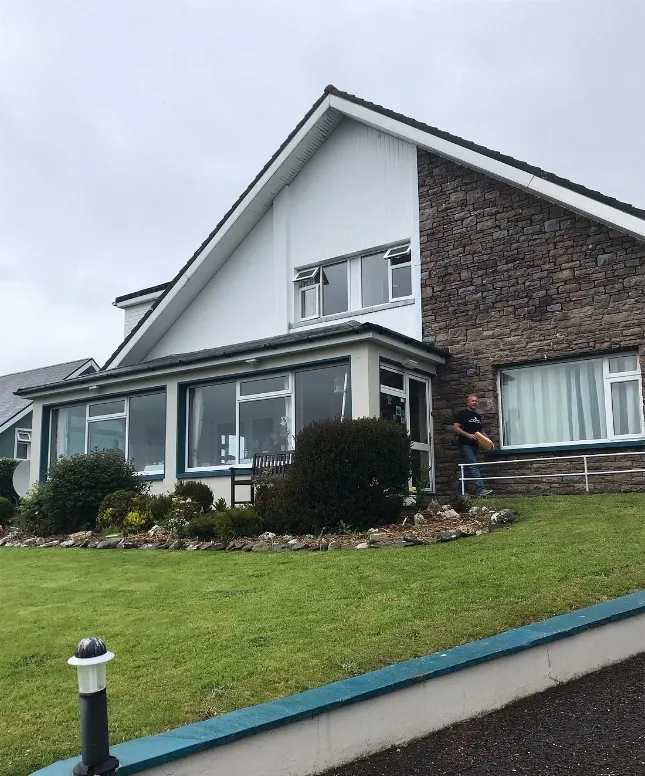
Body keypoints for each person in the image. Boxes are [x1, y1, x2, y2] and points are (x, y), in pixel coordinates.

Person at [453, 395, 492, 496]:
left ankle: (461, 491)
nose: (474, 402)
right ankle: (481, 489)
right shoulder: (462, 414)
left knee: (468, 467)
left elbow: (481, 431)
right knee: (473, 464)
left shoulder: (477, 416)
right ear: (468, 403)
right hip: (465, 444)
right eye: (472, 401)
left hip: (475, 445)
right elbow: (456, 428)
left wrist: (488, 441)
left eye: (476, 401)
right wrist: (468, 435)